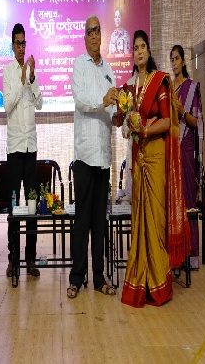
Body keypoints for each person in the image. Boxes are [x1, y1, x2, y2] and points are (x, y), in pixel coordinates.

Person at [120, 30, 188, 308]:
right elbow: (124, 122)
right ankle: (141, 283)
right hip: (138, 157)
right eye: (135, 48)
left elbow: (167, 120)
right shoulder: (130, 88)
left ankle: (158, 283)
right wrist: (129, 125)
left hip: (156, 155)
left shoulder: (159, 81)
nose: (139, 52)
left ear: (148, 51)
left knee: (156, 219)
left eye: (142, 47)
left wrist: (145, 129)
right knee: (140, 219)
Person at [67, 16, 118, 299]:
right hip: (85, 155)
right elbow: (81, 101)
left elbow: (113, 110)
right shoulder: (79, 65)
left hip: (103, 156)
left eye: (98, 30)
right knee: (82, 220)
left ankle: (99, 278)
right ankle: (76, 278)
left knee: (100, 222)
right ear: (85, 37)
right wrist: (104, 101)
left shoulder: (109, 70)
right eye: (90, 31)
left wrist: (120, 114)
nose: (95, 35)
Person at [3, 23, 42, 278]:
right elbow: (8, 106)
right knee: (13, 206)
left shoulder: (30, 72)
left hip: (31, 148)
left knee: (31, 205)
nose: (21, 47)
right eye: (18, 43)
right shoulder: (8, 72)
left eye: (24, 43)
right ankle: (13, 259)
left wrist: (33, 79)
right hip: (15, 148)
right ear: (12, 46)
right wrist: (21, 81)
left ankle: (30, 259)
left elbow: (40, 103)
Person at [170, 44, 204, 269]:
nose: (174, 63)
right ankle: (175, 252)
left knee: (188, 199)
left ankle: (191, 254)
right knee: (173, 200)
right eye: (171, 59)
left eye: (177, 59)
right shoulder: (169, 87)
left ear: (183, 61)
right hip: (170, 148)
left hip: (186, 147)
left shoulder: (191, 88)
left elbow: (196, 122)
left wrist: (181, 110)